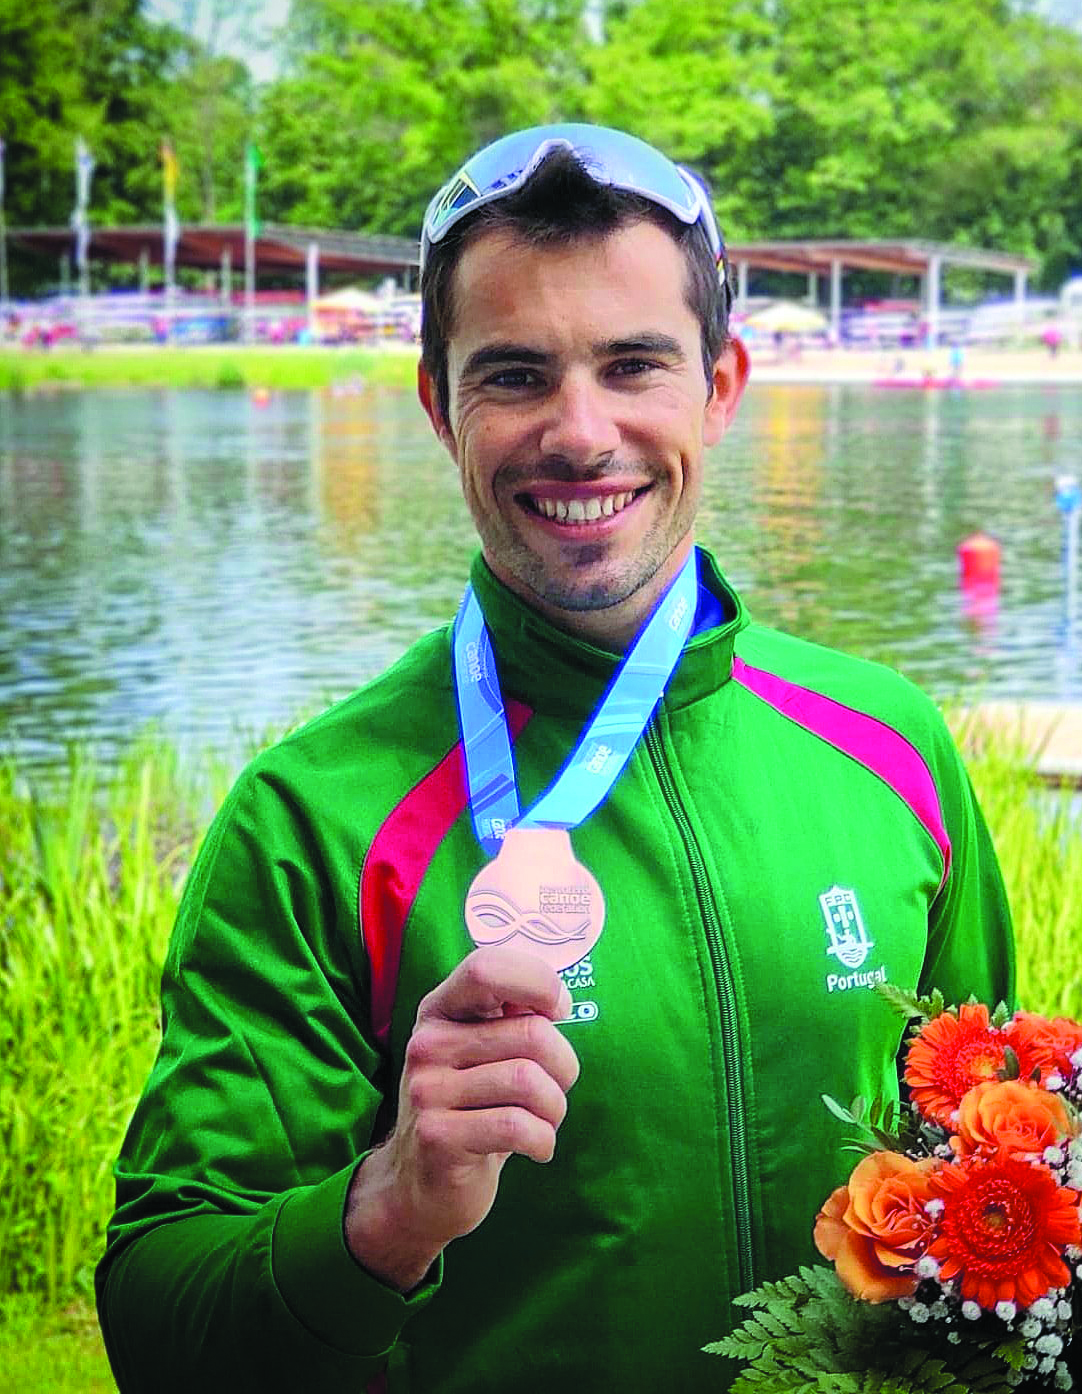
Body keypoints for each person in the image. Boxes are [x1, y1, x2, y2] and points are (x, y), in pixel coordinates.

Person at [96, 124, 1014, 1393]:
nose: (581, 434)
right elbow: (159, 1320)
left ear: (722, 385)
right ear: (438, 405)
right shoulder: (313, 817)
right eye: (516, 375)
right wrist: (389, 1212)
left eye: (634, 365)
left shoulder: (889, 743)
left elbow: (1001, 1153)